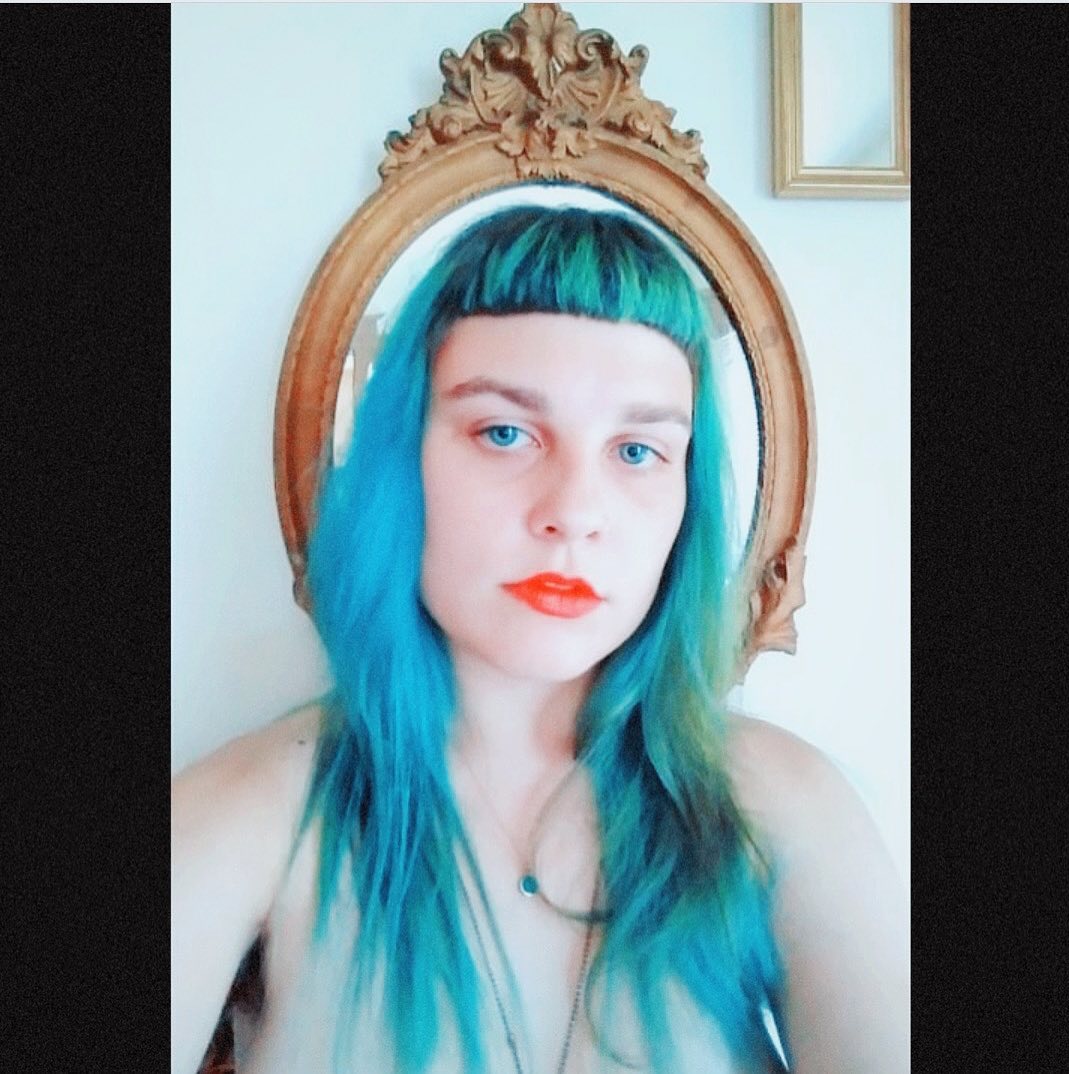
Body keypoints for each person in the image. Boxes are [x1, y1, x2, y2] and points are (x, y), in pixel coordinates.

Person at [171, 206, 908, 1074]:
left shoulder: (787, 811)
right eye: (505, 433)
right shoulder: (249, 816)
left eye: (636, 451)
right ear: (402, 463)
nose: (574, 512)